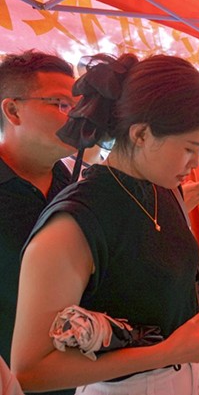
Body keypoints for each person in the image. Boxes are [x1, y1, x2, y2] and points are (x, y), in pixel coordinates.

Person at [11, 54, 199, 394]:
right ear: (140, 134)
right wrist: (166, 352)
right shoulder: (73, 223)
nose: (197, 161)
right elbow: (31, 370)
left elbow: (145, 264)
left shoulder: (161, 188)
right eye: (188, 147)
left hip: (186, 375)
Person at [0, 50, 77, 395]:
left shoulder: (78, 189)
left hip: (75, 378)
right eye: (60, 105)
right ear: (12, 110)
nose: (75, 119)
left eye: (77, 107)